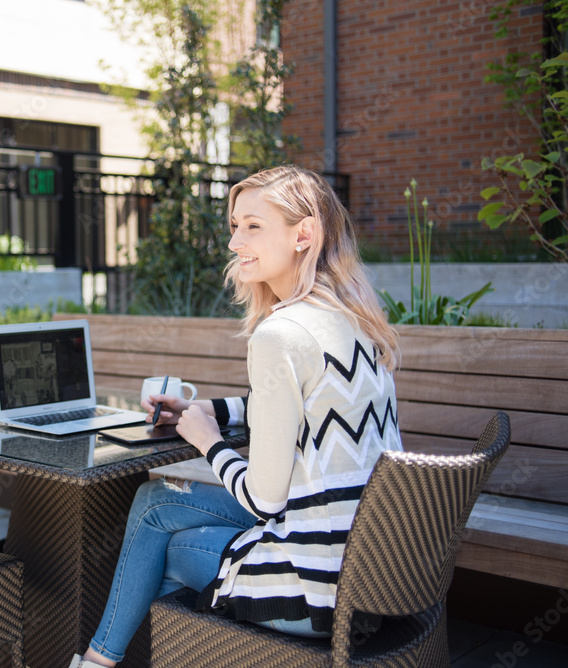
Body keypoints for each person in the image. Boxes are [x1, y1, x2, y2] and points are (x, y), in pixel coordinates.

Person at [68, 165, 403, 668]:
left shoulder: (281, 334)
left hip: (315, 589)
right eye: (234, 226)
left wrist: (207, 440)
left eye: (252, 225)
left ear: (303, 234)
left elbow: (265, 499)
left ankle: (105, 660)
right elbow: (304, 406)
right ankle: (108, 659)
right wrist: (209, 411)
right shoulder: (351, 320)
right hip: (372, 568)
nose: (234, 242)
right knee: (154, 500)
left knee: (169, 541)